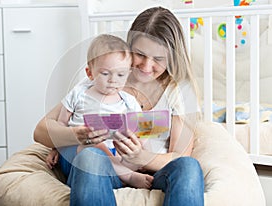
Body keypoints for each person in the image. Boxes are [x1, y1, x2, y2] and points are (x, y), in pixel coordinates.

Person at [34, 6, 204, 206]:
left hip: (152, 175)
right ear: (129, 48)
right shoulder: (105, 76)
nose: (146, 66)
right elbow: (41, 131)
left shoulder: (179, 92)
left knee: (189, 167)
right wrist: (77, 135)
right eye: (140, 54)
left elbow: (179, 156)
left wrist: (141, 157)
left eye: (158, 59)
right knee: (90, 156)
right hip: (103, 168)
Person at [46, 34, 154, 189]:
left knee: (129, 148)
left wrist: (143, 155)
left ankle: (121, 172)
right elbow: (61, 124)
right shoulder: (78, 94)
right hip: (77, 152)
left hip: (114, 155)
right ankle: (127, 176)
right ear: (90, 73)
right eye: (105, 73)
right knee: (93, 147)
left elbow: (143, 132)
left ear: (128, 74)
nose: (113, 80)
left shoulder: (129, 102)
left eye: (120, 74)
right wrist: (54, 148)